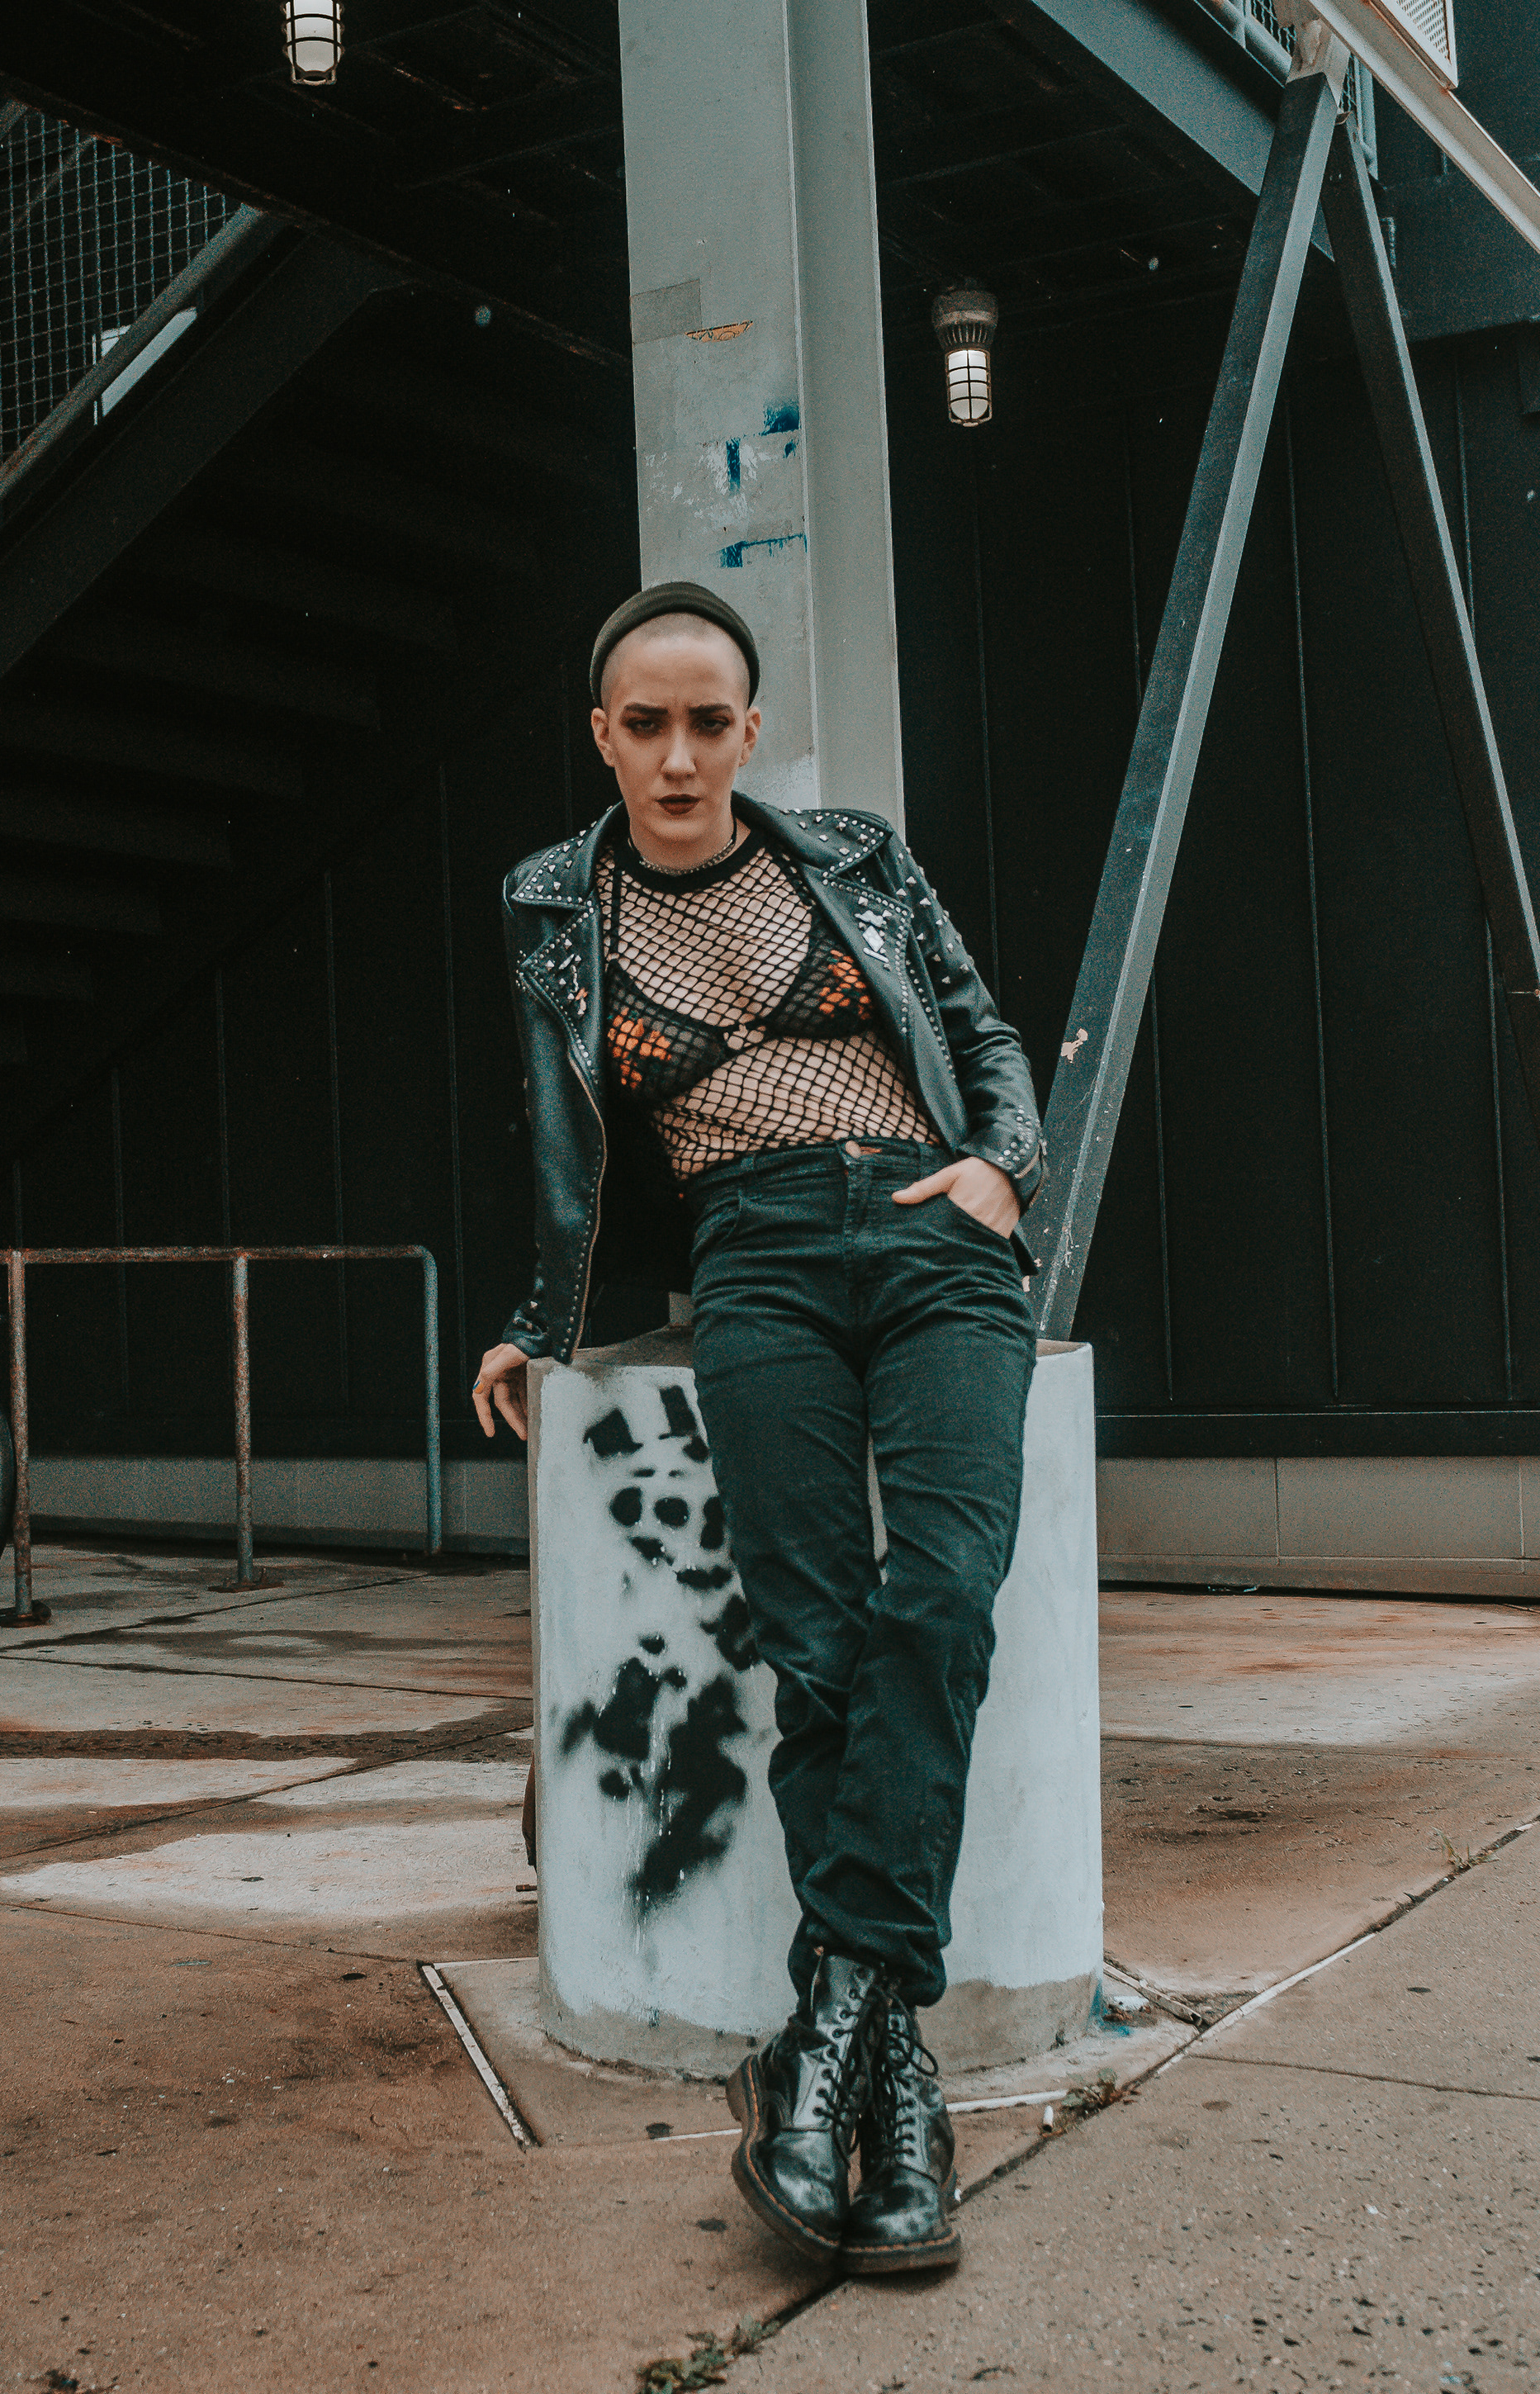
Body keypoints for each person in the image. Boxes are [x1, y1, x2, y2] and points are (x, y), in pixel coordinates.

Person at [473, 581, 1045, 2275]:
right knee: (817, 1645)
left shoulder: (853, 856)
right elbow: (562, 1140)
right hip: (758, 1255)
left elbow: (983, 1027)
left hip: (937, 1238)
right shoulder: (551, 906)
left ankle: (834, 2038)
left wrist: (1004, 1169)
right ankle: (899, 2089)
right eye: (645, 724)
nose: (678, 756)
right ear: (602, 734)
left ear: (752, 729)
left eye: (708, 722)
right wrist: (541, 1319)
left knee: (941, 1596)